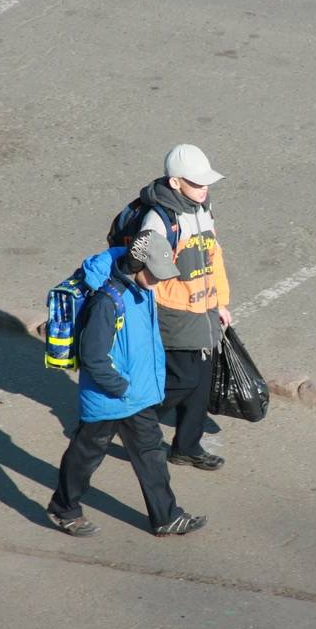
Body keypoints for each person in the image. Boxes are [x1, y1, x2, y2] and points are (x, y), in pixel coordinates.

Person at [46, 230, 209, 537]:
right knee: (85, 456)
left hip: (135, 396)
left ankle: (166, 516)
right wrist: (121, 388)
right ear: (136, 266)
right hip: (112, 396)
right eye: (156, 273)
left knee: (151, 455)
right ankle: (64, 509)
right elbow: (94, 357)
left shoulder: (142, 289)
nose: (160, 281)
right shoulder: (107, 302)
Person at [138, 144, 231, 472]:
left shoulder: (202, 207)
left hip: (203, 309)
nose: (204, 187)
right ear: (176, 182)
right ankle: (134, 423)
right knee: (184, 379)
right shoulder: (159, 218)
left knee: (200, 383)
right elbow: (141, 265)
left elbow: (213, 256)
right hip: (175, 314)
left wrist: (220, 302)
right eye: (196, 182)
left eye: (206, 181)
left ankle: (186, 448)